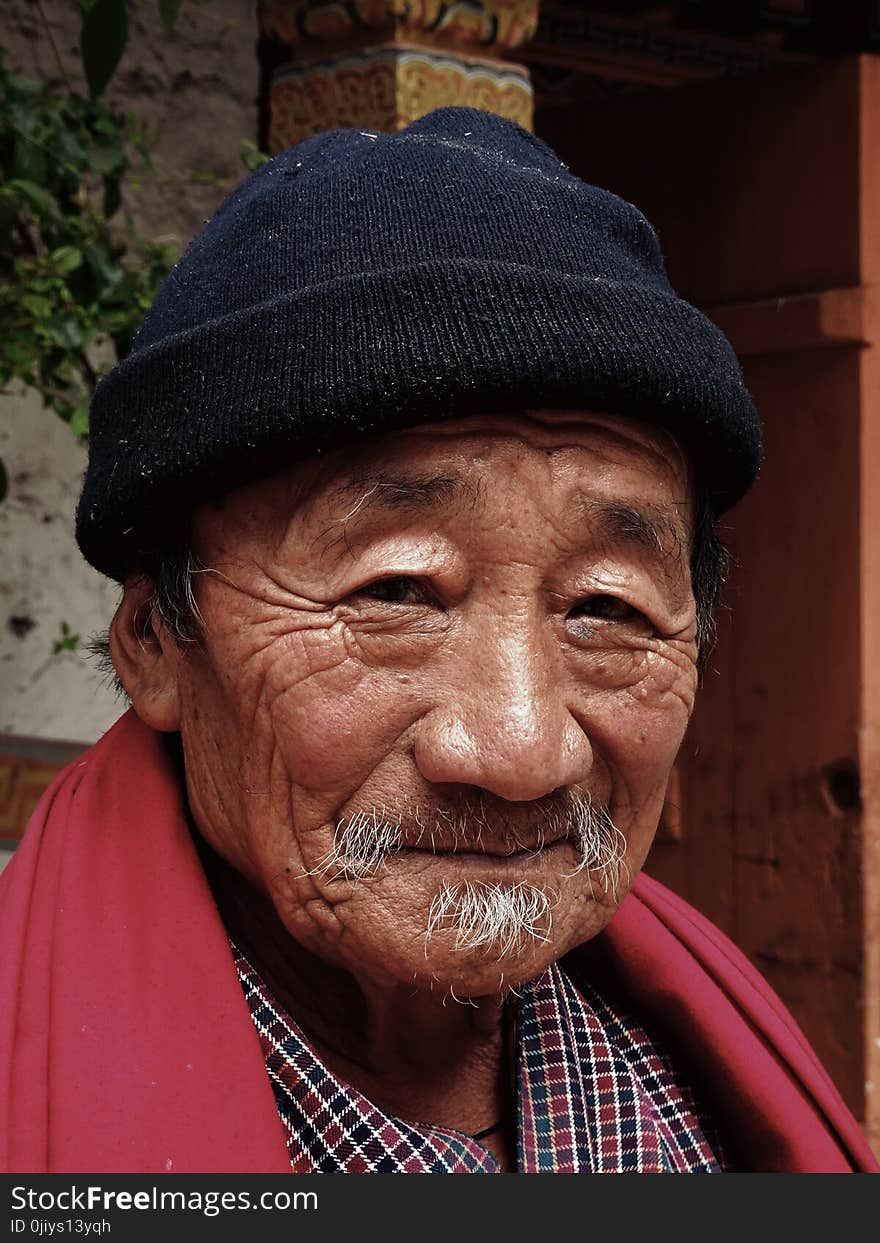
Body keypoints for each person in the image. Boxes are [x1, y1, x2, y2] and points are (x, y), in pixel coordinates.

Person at [1, 107, 876, 1175]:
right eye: (398, 590)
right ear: (154, 643)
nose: (519, 751)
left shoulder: (710, 1096)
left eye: (605, 608)